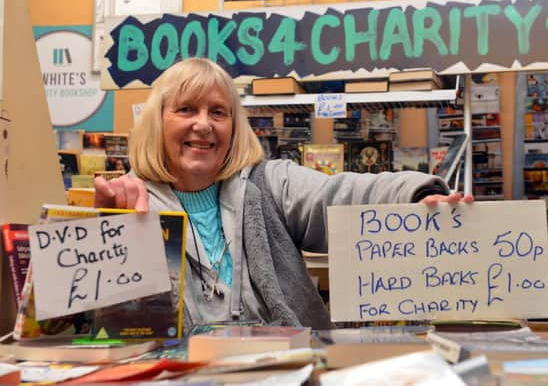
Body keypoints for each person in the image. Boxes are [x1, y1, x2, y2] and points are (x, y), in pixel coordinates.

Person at [94, 58, 472, 331]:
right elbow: (113, 329)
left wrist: (415, 196)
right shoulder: (128, 202)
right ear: (157, 122)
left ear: (234, 127)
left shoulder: (268, 184)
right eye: (186, 109)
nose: (204, 124)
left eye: (219, 112)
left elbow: (339, 195)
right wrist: (115, 236)